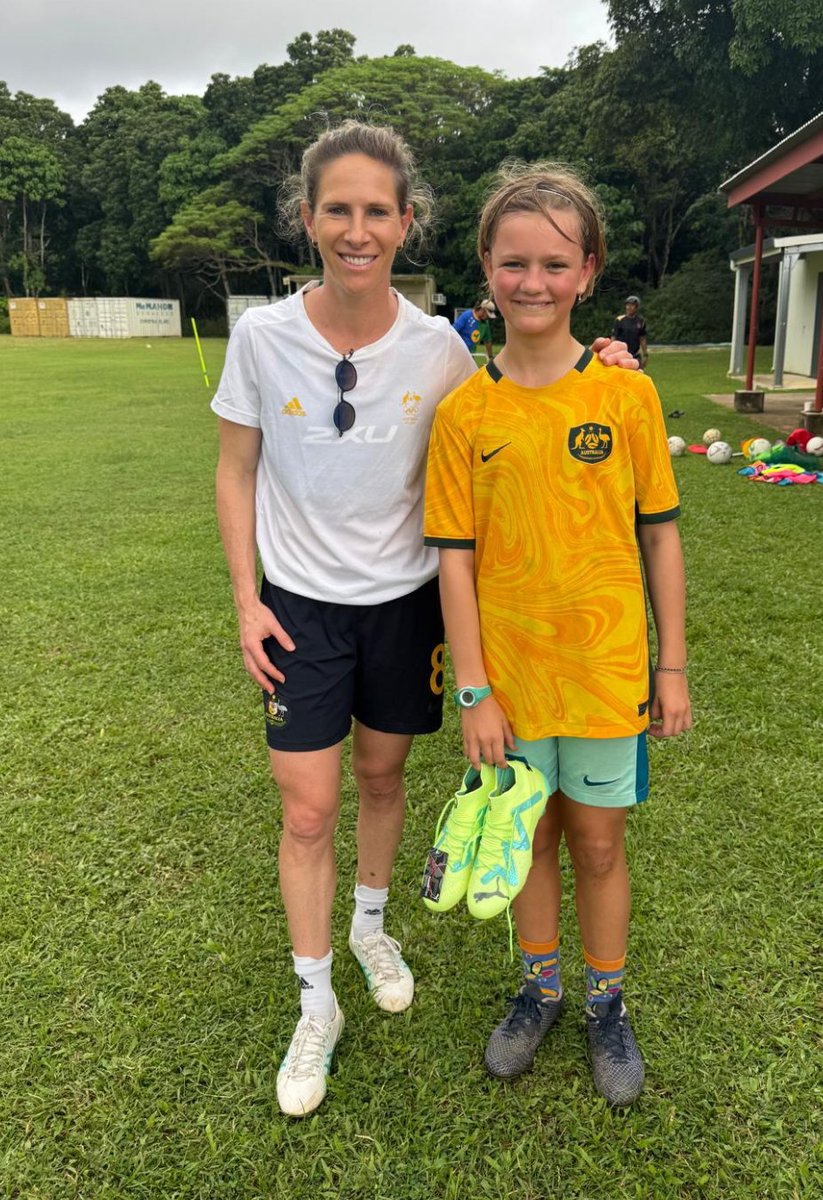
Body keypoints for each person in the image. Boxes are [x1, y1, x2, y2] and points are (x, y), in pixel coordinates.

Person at [212, 122, 643, 1118]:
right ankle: (316, 1003)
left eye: (376, 210)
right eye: (337, 209)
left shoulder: (441, 350)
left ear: (407, 223)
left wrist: (610, 362)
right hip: (300, 615)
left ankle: (371, 924)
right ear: (308, 219)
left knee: (380, 776)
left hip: (410, 613)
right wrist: (246, 600)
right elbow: (237, 469)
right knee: (308, 806)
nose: (356, 229)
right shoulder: (260, 338)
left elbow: (525, 386)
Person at [424, 163, 692, 1106]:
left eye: (552, 264)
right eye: (512, 264)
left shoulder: (628, 397)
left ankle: (605, 1003)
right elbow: (455, 559)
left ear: (587, 272)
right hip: (510, 682)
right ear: (487, 270)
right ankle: (538, 990)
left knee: (601, 846)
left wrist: (672, 664)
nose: (531, 283)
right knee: (524, 841)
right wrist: (474, 690)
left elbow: (658, 534)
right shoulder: (465, 413)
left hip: (609, 670)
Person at [612, 294, 648, 367]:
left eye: (632, 305)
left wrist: (645, 354)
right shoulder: (619, 320)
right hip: (622, 355)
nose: (629, 307)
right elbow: (613, 338)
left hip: (635, 355)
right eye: (628, 305)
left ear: (636, 307)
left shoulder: (641, 321)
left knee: (638, 375)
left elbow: (642, 338)